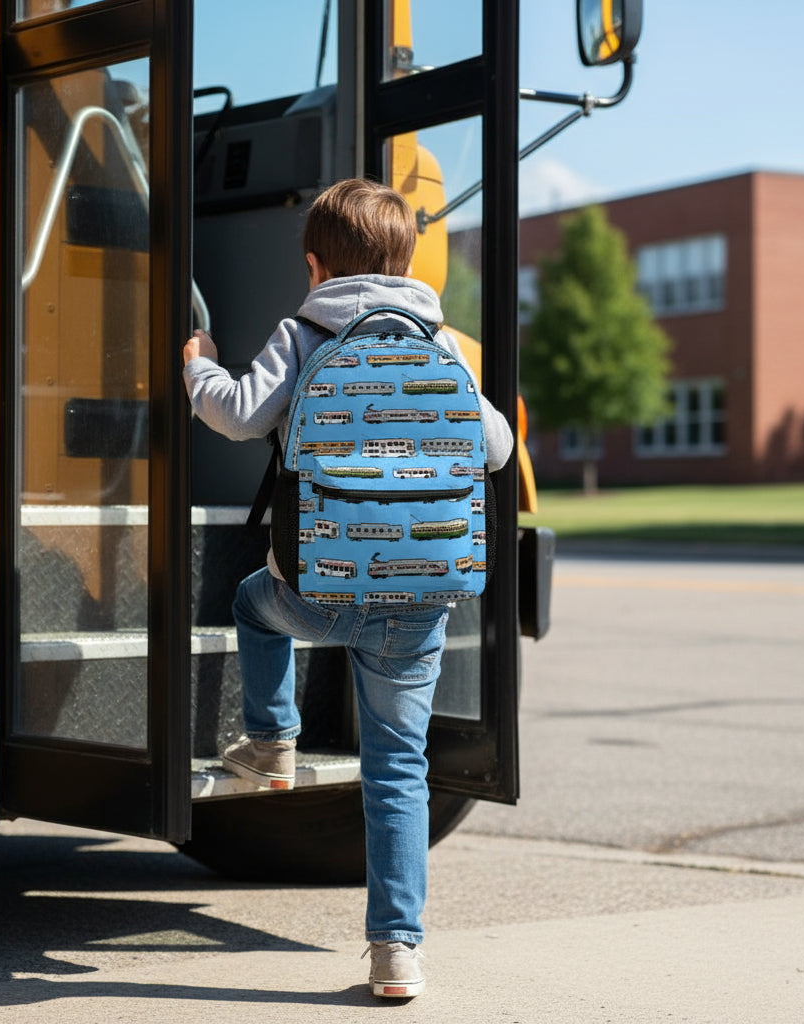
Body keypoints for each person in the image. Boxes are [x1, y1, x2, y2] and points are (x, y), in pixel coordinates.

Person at [182, 178, 512, 998]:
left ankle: (272, 738)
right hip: (420, 598)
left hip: (317, 587)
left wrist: (199, 367)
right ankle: (396, 952)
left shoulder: (306, 332)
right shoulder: (441, 343)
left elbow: (238, 414)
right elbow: (497, 448)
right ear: (407, 263)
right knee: (398, 769)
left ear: (314, 265)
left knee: (252, 603)